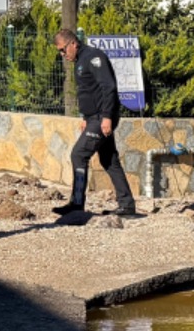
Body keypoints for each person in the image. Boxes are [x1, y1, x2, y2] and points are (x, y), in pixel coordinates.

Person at [52, 30, 138, 221]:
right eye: (60, 52)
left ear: (73, 43)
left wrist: (106, 117)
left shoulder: (94, 57)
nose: (62, 55)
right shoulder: (80, 62)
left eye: (63, 50)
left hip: (102, 117)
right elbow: (89, 91)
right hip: (93, 118)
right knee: (109, 159)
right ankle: (127, 205)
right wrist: (85, 117)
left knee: (79, 154)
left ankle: (77, 204)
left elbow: (108, 87)